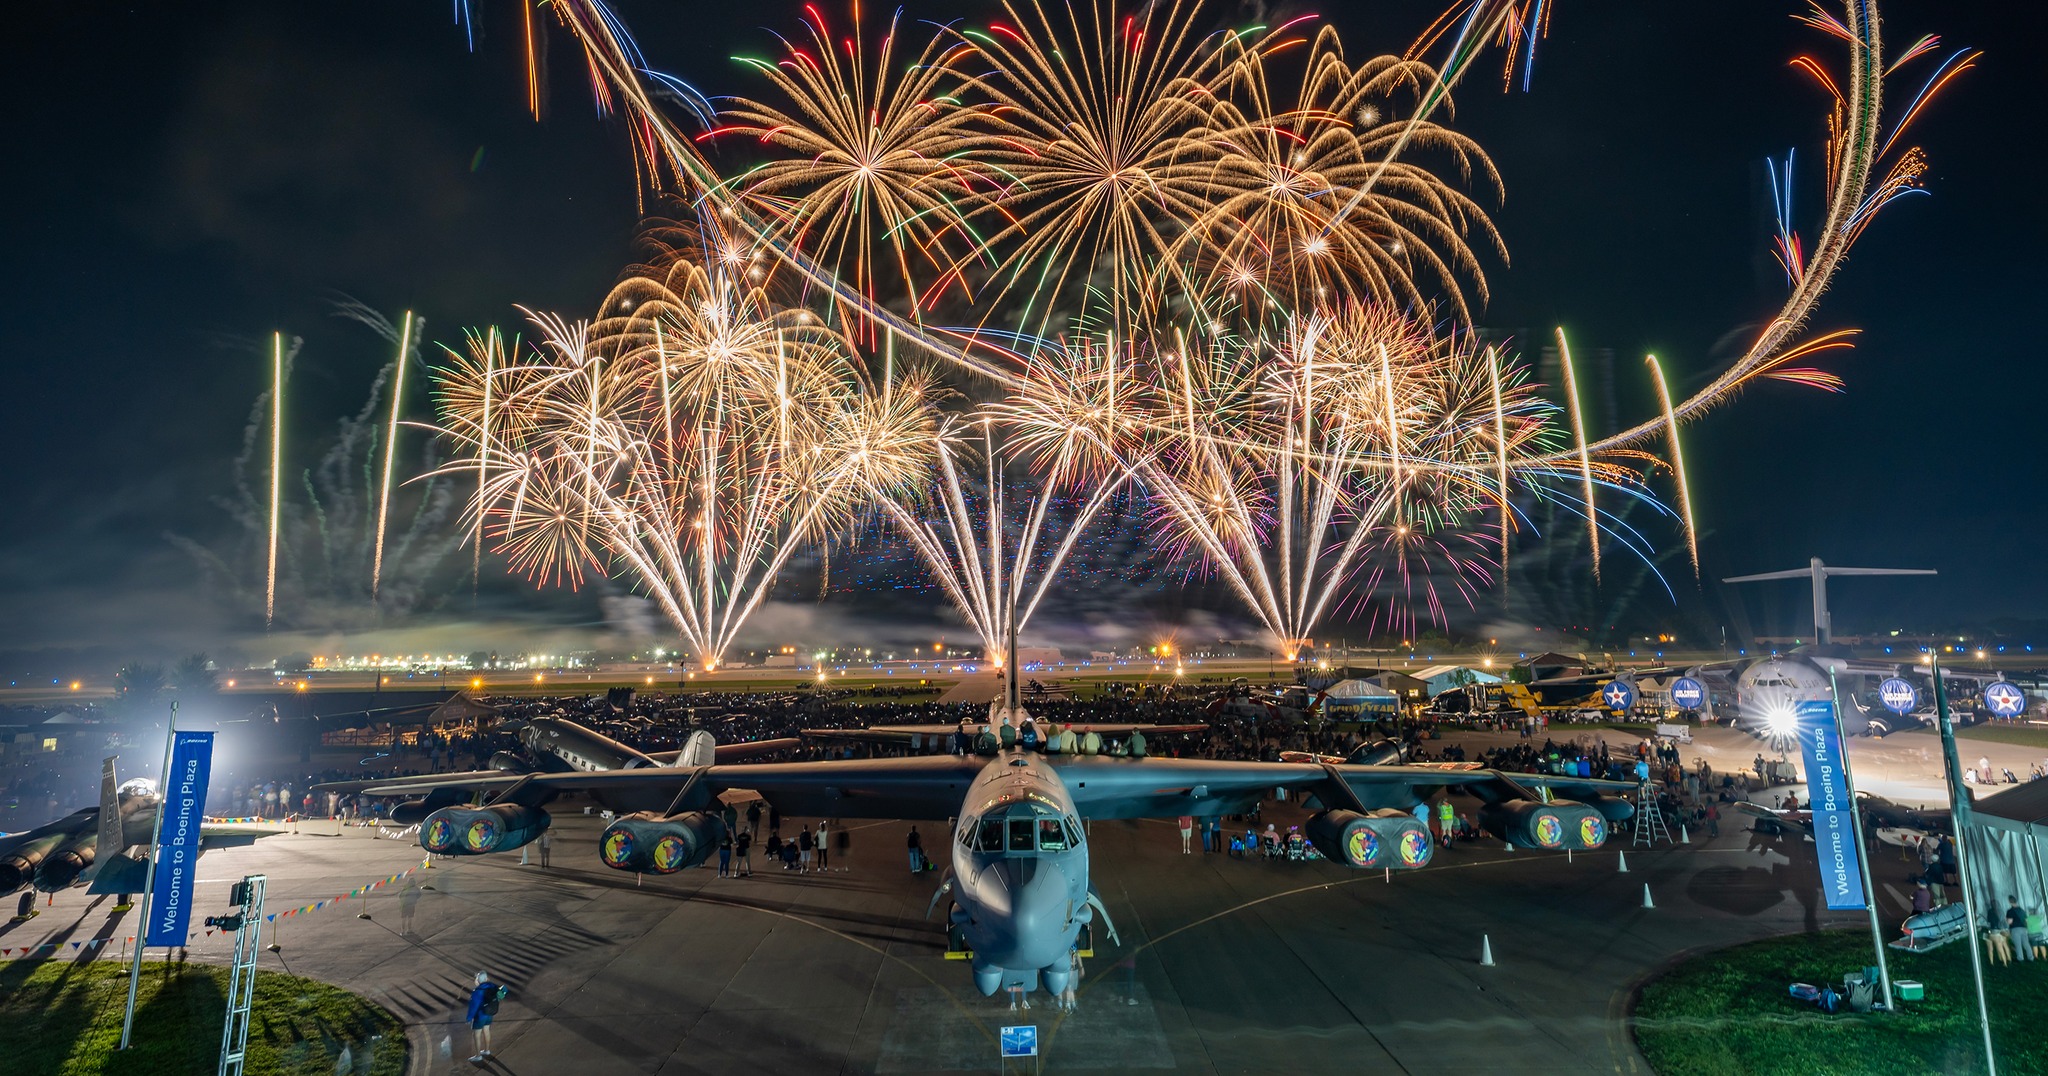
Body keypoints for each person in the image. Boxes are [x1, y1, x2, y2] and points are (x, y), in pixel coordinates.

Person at [466, 970, 505, 1062]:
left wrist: (469, 1018)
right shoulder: (492, 986)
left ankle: (478, 1055)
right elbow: (501, 993)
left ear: (478, 980)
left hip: (480, 1016)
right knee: (486, 1030)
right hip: (489, 1013)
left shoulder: (477, 991)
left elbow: (474, 1006)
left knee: (476, 1034)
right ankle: (487, 1050)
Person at [2008, 897, 2033, 962]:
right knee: (2026, 943)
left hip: (2015, 929)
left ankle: (2020, 958)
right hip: (2023, 928)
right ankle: (2031, 957)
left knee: (2018, 944)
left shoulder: (2010, 911)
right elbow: (2026, 920)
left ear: (2010, 902)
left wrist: (2006, 921)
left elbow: (2010, 922)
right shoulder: (2022, 910)